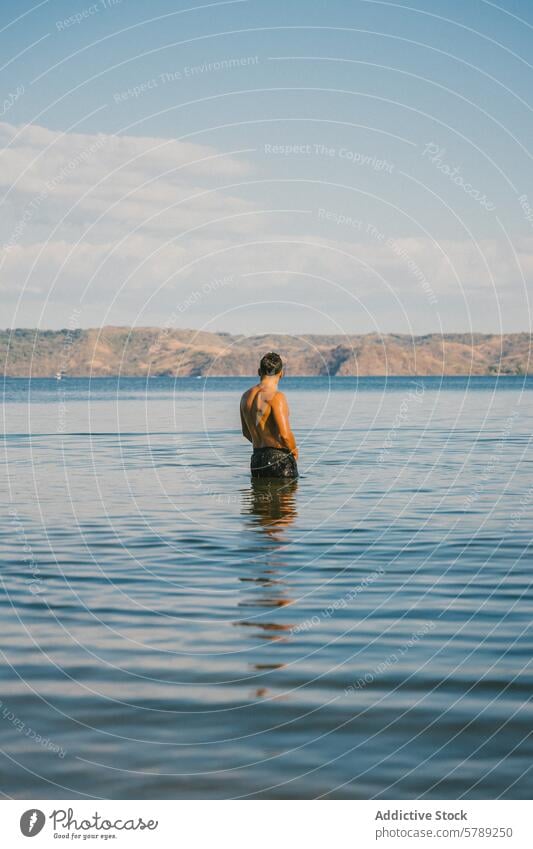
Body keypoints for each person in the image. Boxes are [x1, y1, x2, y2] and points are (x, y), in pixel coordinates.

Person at [240, 352, 299, 478]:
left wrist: (263, 447)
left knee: (259, 496)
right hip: (278, 458)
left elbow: (245, 432)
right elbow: (285, 435)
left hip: (256, 460)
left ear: (258, 371)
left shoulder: (245, 397)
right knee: (287, 495)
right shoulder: (277, 397)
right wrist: (294, 452)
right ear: (281, 373)